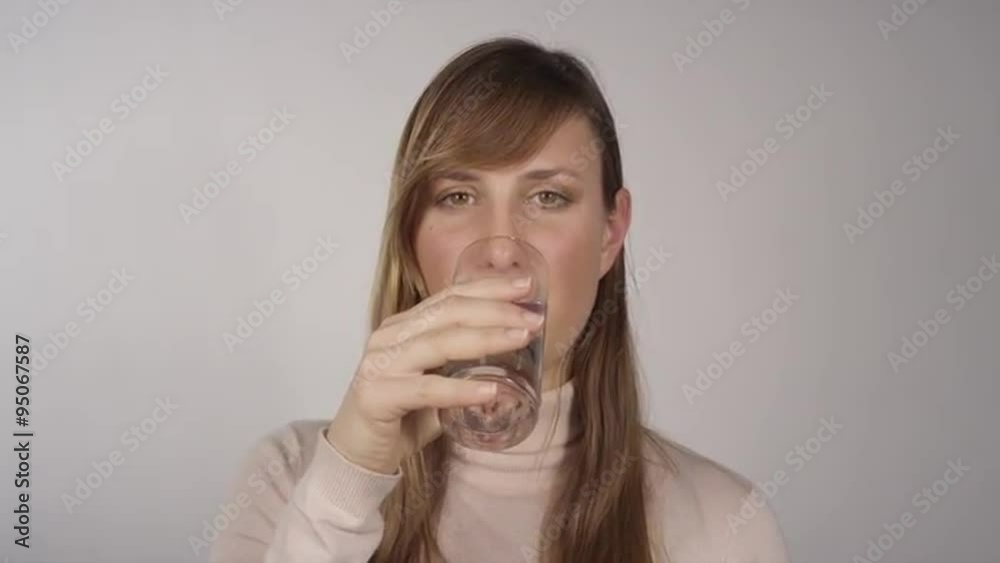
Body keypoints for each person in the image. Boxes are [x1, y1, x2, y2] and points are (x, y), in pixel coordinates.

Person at [209, 37, 790, 563]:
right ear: (410, 238)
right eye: (459, 196)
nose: (502, 249)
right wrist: (349, 482)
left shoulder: (725, 525)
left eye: (547, 197)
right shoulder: (291, 477)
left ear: (610, 233)